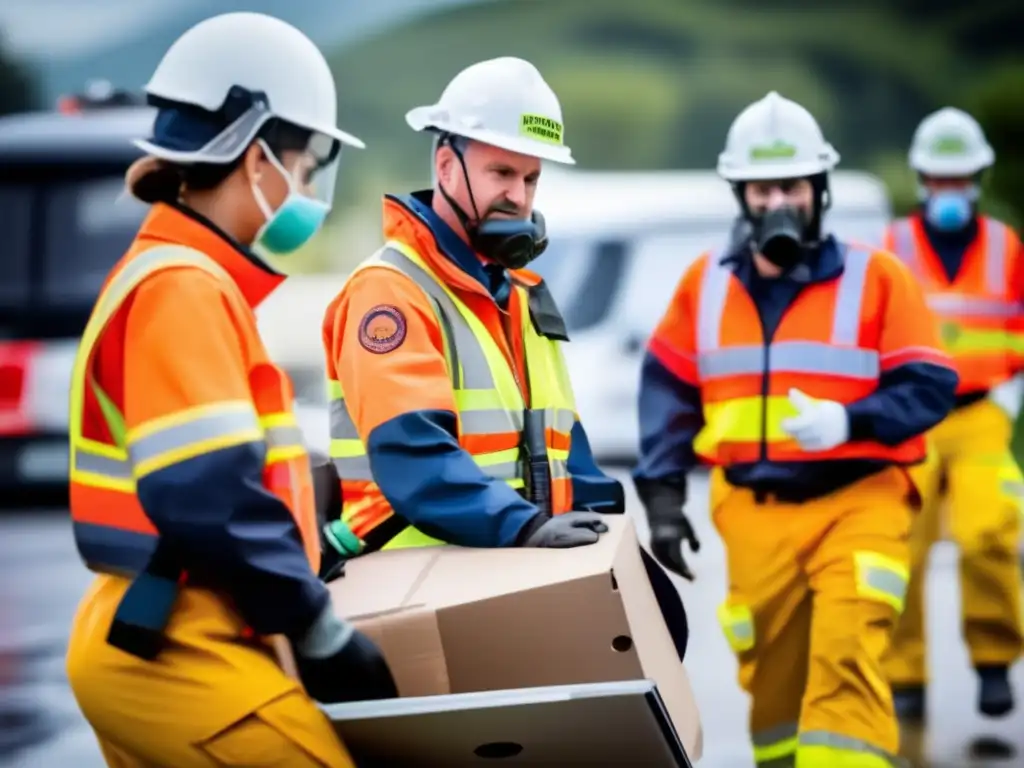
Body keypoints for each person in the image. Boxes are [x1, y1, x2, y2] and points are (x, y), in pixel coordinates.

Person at [64, 13, 397, 768]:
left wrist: (305, 531)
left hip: (156, 628)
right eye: (307, 167)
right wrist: (319, 629)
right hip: (174, 641)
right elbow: (208, 489)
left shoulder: (179, 278)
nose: (309, 189)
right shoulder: (182, 286)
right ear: (257, 161)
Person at [317, 57, 689, 659]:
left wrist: (612, 541)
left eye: (531, 179)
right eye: (500, 172)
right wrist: (526, 527)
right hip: (417, 593)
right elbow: (413, 452)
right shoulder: (390, 291)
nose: (517, 196)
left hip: (515, 582)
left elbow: (565, 446)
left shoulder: (521, 294)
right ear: (445, 164)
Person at [634, 91, 959, 766]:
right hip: (754, 515)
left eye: (791, 185)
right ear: (740, 195)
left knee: (845, 660)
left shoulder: (880, 279)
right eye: (761, 188)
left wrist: (851, 418)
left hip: (861, 503)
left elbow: (930, 387)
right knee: (773, 689)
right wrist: (663, 502)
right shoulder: (706, 284)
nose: (777, 201)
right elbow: (666, 391)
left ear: (820, 189)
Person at [880, 106, 1024, 721]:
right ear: (921, 179)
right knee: (903, 547)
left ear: (978, 179)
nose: (949, 190)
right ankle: (906, 675)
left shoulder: (1005, 247)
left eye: (959, 177)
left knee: (985, 533)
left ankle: (994, 661)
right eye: (939, 178)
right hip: (913, 418)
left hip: (982, 414)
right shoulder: (893, 247)